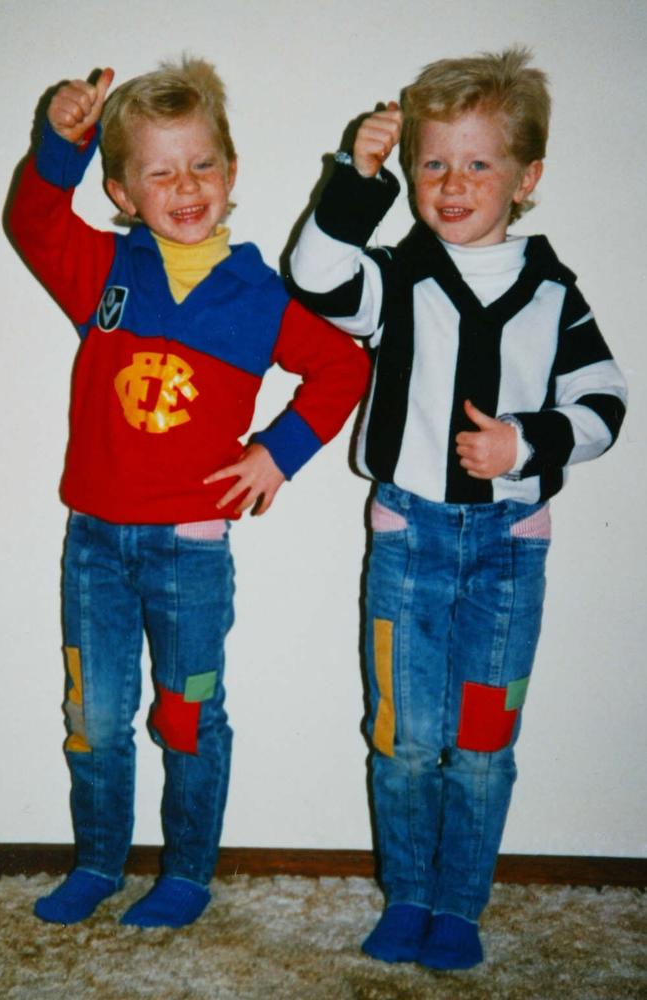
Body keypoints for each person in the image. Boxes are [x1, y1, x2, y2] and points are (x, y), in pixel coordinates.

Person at [8, 58, 369, 929]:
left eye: (202, 164)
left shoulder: (256, 295)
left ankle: (188, 874)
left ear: (232, 172)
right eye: (159, 171)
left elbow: (343, 365)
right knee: (93, 718)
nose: (184, 186)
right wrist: (64, 141)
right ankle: (98, 862)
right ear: (124, 192)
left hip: (192, 550)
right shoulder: (102, 269)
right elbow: (30, 220)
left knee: (188, 713)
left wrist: (275, 454)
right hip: (93, 540)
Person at [288, 47, 626, 969]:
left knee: (482, 740)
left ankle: (460, 906)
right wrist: (354, 181)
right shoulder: (398, 276)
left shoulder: (555, 294)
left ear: (528, 179)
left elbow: (605, 405)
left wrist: (526, 443)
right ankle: (408, 896)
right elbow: (315, 278)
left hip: (511, 548)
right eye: (432, 162)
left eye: (479, 163)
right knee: (403, 737)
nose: (452, 182)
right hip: (409, 536)